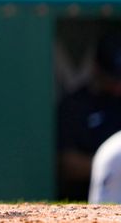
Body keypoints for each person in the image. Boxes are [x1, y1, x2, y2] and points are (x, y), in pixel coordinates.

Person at [58, 32, 121, 201]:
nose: (118, 87)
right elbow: (68, 164)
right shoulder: (75, 104)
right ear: (96, 68)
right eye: (113, 79)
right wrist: (112, 165)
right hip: (82, 201)